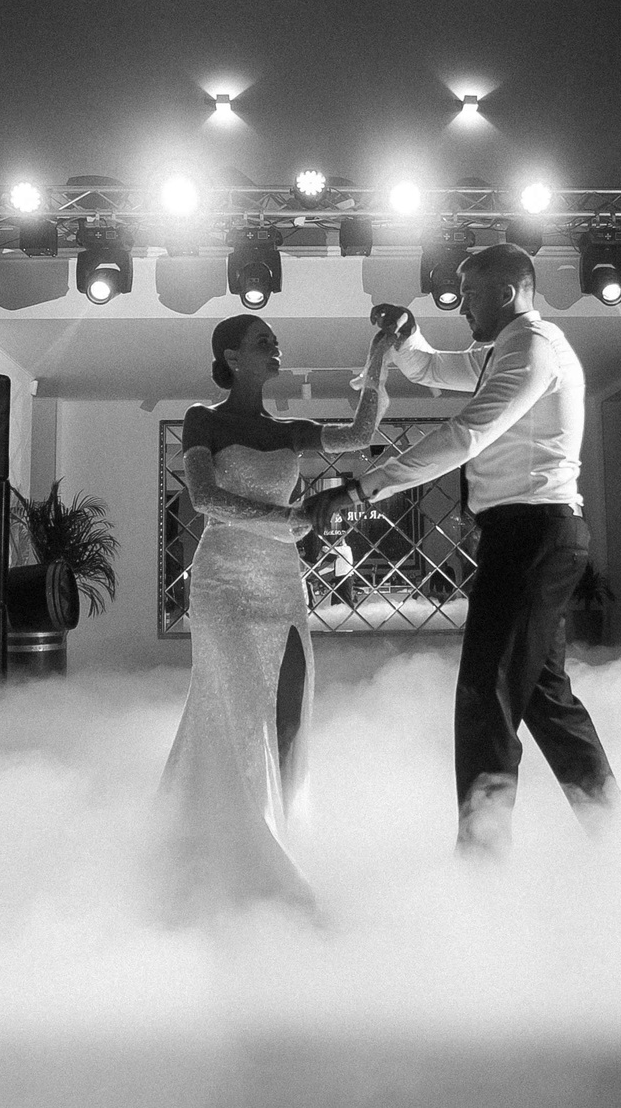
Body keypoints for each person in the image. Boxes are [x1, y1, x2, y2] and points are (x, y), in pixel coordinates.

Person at [309, 244, 618, 857]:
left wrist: (362, 488)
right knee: (547, 702)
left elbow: (467, 434)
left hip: (533, 534)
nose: (461, 307)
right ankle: (618, 837)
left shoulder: (532, 348)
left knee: (485, 694)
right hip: (531, 534)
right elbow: (429, 369)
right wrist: (405, 337)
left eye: (470, 295)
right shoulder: (504, 350)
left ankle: (482, 864)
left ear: (506, 293)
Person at [160, 313, 394, 911]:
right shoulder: (203, 419)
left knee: (291, 708)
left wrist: (378, 358)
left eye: (274, 339)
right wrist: (289, 520)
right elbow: (203, 497)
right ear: (232, 357)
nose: (275, 345)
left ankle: (287, 834)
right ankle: (241, 852)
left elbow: (362, 433)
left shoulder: (291, 431)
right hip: (223, 583)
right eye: (261, 340)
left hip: (282, 584)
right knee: (241, 709)